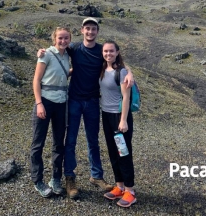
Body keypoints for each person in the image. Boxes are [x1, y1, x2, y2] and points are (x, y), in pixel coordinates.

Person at [37, 17, 134, 200]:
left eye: (93, 29)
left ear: (97, 32)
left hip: (93, 101)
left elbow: (117, 61)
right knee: (71, 140)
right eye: (87, 29)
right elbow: (57, 50)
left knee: (93, 140)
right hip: (73, 100)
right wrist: (42, 51)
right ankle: (70, 178)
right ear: (82, 30)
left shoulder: (101, 51)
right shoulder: (74, 48)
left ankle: (96, 175)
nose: (90, 32)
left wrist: (129, 72)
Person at [31, 27, 71, 198]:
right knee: (38, 143)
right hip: (45, 102)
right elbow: (37, 80)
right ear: (55, 38)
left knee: (58, 143)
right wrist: (39, 104)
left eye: (66, 38)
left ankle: (55, 179)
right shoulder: (46, 54)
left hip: (62, 103)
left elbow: (65, 73)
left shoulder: (69, 55)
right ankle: (37, 180)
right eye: (60, 38)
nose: (63, 41)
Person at [99, 40, 136, 208]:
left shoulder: (121, 72)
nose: (108, 54)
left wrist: (123, 120)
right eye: (105, 51)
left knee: (123, 152)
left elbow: (126, 97)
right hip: (106, 115)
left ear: (117, 52)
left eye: (111, 51)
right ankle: (119, 186)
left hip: (119, 118)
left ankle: (130, 191)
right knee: (113, 152)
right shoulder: (103, 69)